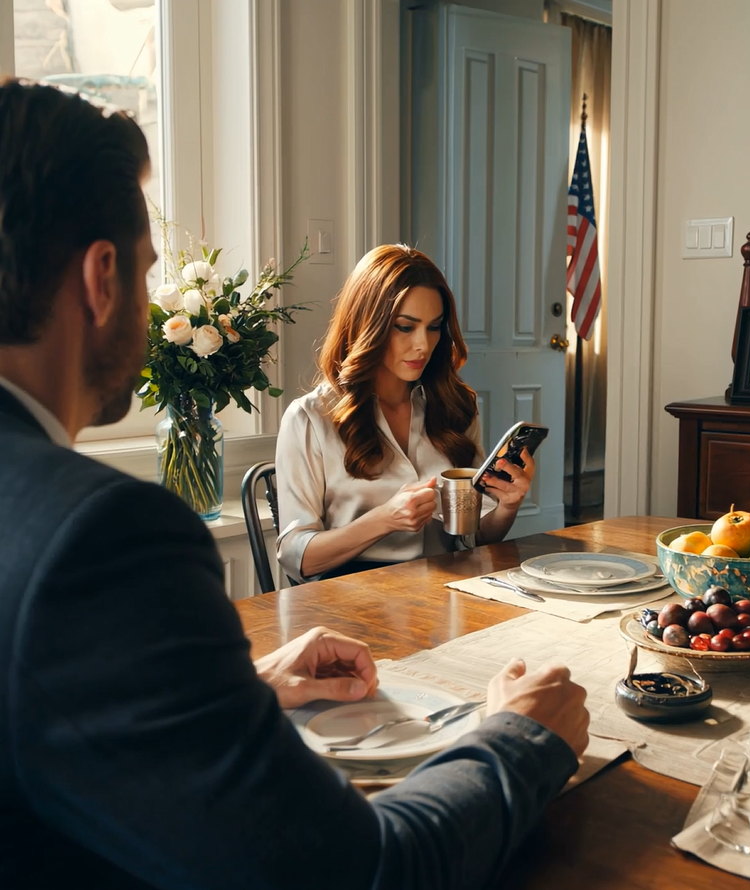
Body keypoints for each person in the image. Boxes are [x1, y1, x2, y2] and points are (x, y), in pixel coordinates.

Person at [0, 78, 590, 888]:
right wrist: (520, 738)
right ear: (102, 279)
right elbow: (359, 870)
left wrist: (245, 686)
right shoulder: (100, 535)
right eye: (143, 276)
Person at [276, 245, 534, 582]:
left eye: (434, 327)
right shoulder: (309, 419)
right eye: (405, 327)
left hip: (447, 594)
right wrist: (384, 519)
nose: (423, 345)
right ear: (368, 324)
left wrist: (507, 506)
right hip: (353, 603)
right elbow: (297, 558)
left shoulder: (456, 407)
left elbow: (478, 538)